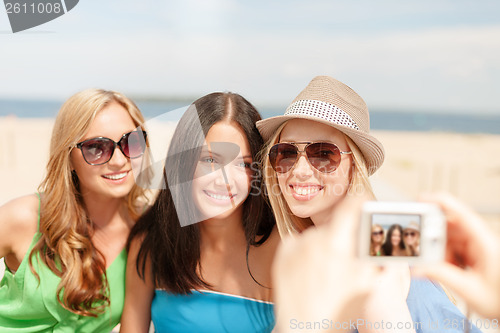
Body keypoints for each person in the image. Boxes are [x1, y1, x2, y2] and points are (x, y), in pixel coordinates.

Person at [257, 76, 481, 332]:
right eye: (286, 153)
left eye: (322, 154)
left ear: (355, 165)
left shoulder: (366, 252)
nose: (300, 170)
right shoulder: (373, 235)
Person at [120, 92, 279, 333]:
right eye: (211, 160)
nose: (224, 181)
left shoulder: (281, 247)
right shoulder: (151, 241)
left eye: (242, 164)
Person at [0, 89, 150, 332]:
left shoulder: (147, 228)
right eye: (96, 148)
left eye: (131, 142)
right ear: (68, 157)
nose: (119, 160)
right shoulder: (24, 217)